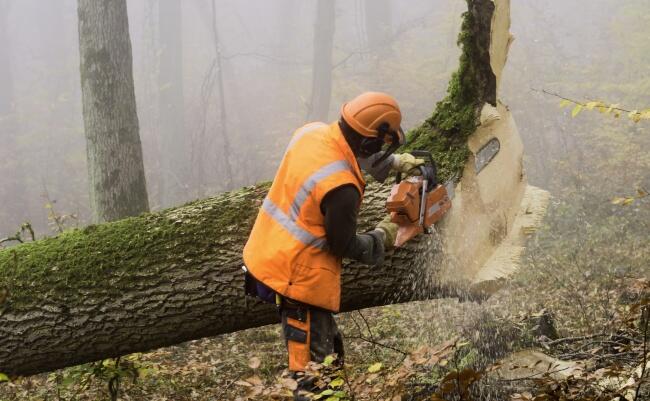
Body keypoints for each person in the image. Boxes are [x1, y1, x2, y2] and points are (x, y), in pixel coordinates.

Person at [242, 92, 423, 398]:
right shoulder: (342, 188)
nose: (380, 150)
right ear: (367, 142)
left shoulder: (311, 133)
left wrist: (394, 163)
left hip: (270, 252)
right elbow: (344, 244)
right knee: (313, 376)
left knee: (331, 357)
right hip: (297, 279)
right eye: (380, 145)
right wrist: (384, 234)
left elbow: (346, 149)